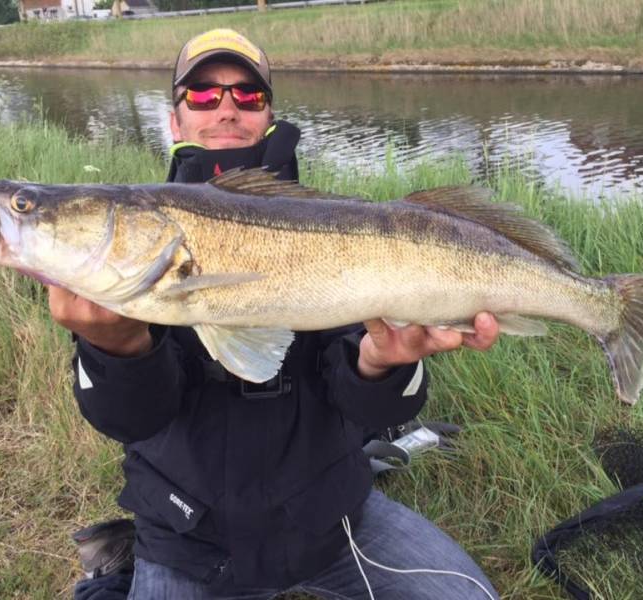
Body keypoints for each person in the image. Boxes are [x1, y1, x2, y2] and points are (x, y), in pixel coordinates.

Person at [51, 28, 501, 600]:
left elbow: (373, 407)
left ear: (268, 114)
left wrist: (381, 365)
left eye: (248, 95)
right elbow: (133, 420)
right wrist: (117, 350)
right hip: (189, 542)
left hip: (331, 522)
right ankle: (126, 560)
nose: (227, 107)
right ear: (175, 121)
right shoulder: (139, 243)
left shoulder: (327, 225)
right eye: (202, 94)